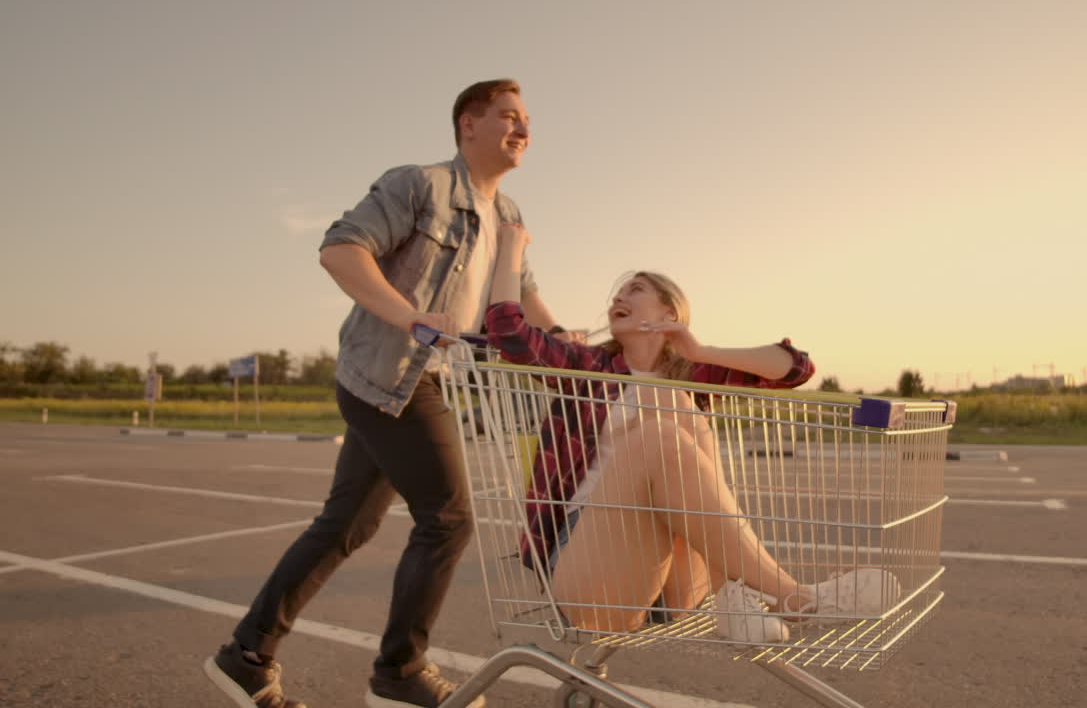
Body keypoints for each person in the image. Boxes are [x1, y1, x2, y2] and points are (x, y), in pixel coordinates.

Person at [205, 79, 573, 708]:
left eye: (527, 121)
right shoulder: (419, 185)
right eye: (508, 117)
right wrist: (412, 318)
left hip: (425, 383)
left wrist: (571, 347)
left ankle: (247, 654)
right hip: (384, 372)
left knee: (345, 526)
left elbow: (524, 301)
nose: (523, 130)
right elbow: (341, 250)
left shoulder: (508, 217)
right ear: (468, 125)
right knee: (449, 517)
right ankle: (399, 674)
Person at [485, 224, 899, 644]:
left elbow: (794, 368)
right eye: (617, 293)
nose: (619, 297)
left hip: (676, 583)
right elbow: (507, 331)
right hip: (591, 565)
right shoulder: (586, 366)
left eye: (636, 289)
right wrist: (511, 247)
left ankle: (731, 597)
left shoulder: (692, 375)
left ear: (670, 314)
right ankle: (795, 597)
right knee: (664, 423)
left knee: (678, 406)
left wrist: (699, 352)